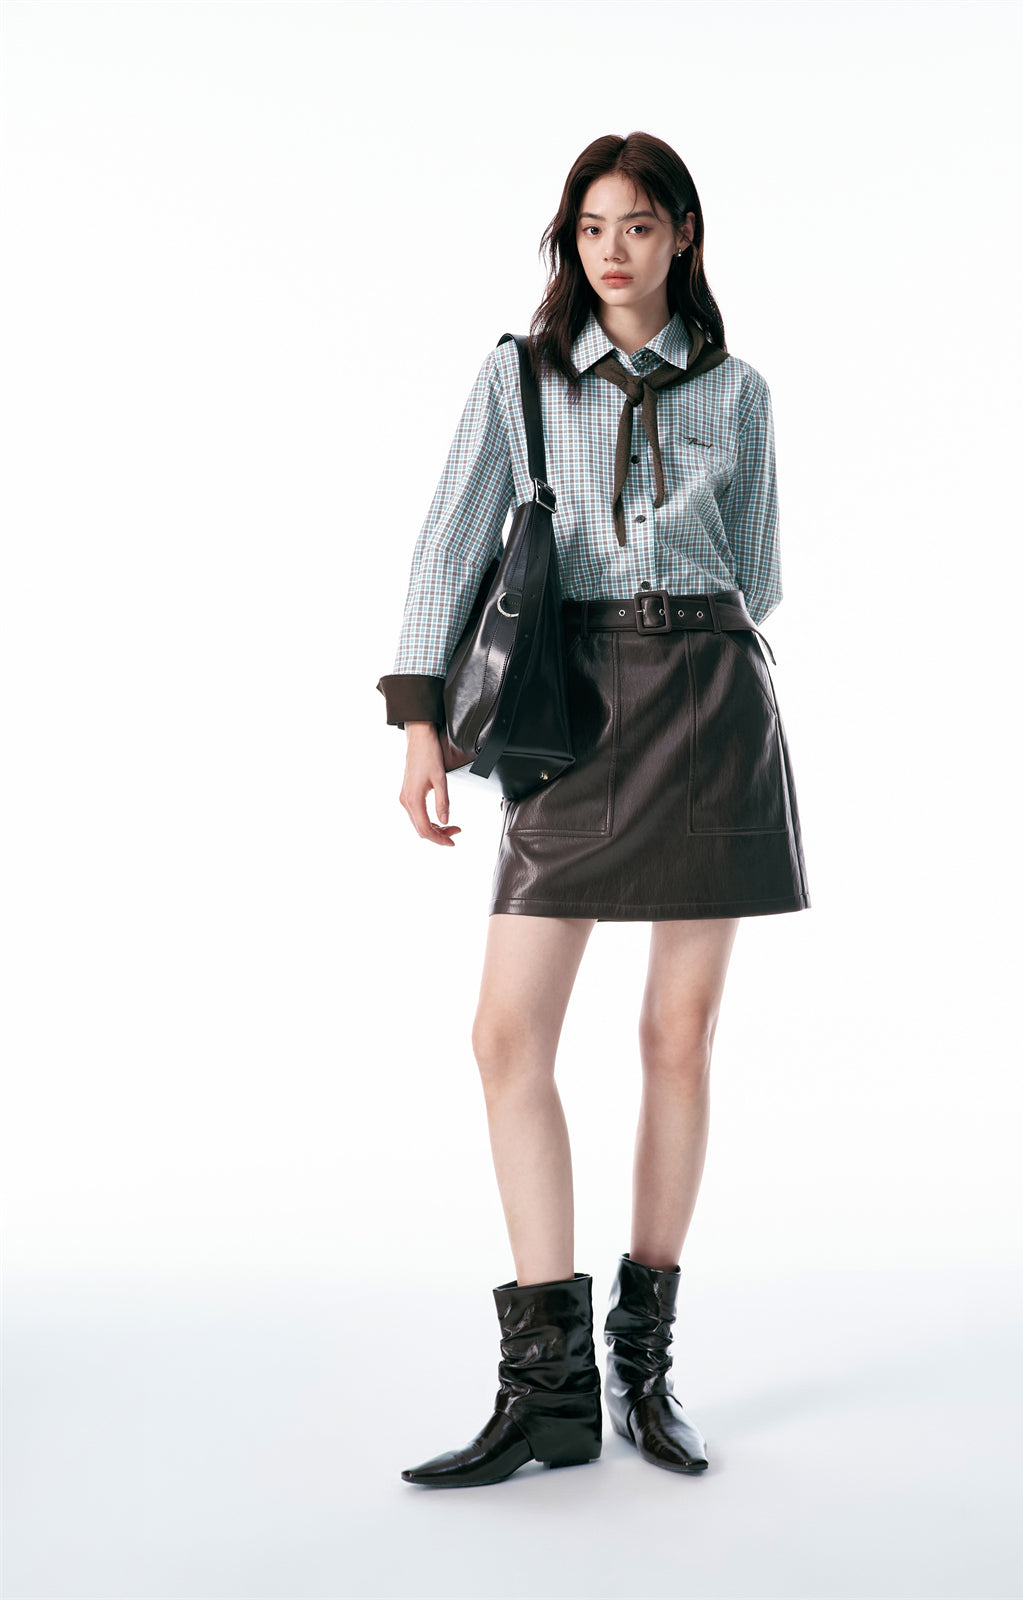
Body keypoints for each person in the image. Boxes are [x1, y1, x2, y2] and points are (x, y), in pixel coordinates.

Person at [377, 131, 811, 1487]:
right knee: (507, 1035)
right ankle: (548, 1394)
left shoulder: (737, 391)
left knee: (676, 1037)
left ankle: (644, 1369)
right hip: (569, 715)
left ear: (683, 236)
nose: (612, 250)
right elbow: (451, 539)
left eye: (638, 225)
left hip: (709, 704)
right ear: (570, 242)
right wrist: (420, 719)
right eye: (590, 227)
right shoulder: (520, 375)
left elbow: (760, 573)